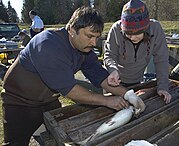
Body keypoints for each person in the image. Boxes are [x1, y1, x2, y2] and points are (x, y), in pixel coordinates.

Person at [1, 7, 145, 146]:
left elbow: (100, 77)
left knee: (56, 136)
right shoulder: (47, 44)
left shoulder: (84, 49)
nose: (94, 43)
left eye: (96, 37)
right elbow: (70, 90)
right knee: (16, 143)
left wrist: (128, 95)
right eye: (89, 36)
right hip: (19, 102)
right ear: (72, 30)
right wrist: (107, 101)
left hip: (48, 101)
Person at [103, 0, 172, 104]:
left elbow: (161, 59)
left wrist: (162, 87)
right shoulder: (115, 29)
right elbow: (109, 55)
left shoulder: (156, 29)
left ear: (146, 29)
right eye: (128, 34)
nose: (132, 38)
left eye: (137, 34)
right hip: (114, 83)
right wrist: (113, 70)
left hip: (137, 82)